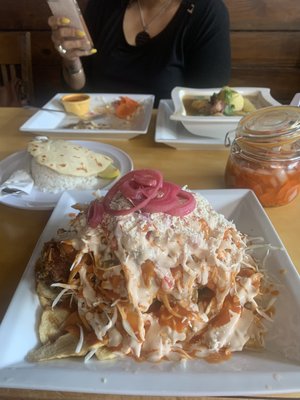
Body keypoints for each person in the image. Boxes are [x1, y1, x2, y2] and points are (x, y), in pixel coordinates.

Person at [49, 0, 231, 106]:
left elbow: (207, 105)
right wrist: (72, 60)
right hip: (99, 132)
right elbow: (79, 90)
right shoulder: (102, 5)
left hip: (168, 144)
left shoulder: (207, 12)